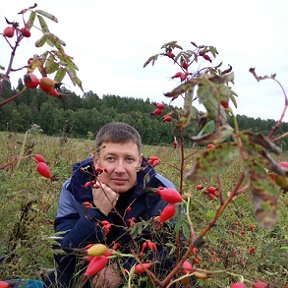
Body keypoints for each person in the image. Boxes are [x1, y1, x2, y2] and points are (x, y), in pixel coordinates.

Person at [43, 122, 178, 288]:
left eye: (129, 159)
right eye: (111, 158)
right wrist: (96, 213)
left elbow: (174, 250)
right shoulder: (74, 188)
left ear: (139, 162)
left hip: (141, 271)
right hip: (89, 270)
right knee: (56, 281)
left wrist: (123, 268)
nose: (120, 169)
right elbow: (64, 257)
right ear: (96, 161)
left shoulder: (162, 191)